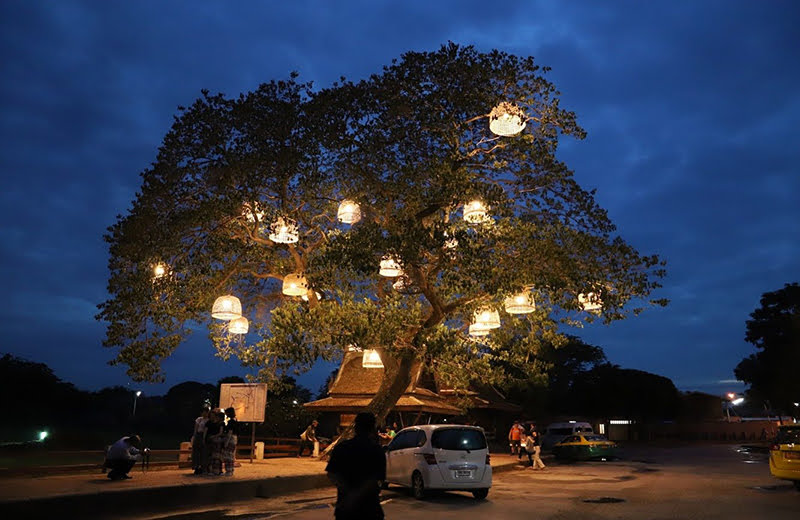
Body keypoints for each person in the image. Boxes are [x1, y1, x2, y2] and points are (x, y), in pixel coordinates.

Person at [326, 412, 386, 520]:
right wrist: (359, 493)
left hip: (346, 507)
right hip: (370, 508)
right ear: (373, 429)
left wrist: (346, 490)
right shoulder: (377, 450)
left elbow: (331, 473)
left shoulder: (342, 448)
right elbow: (378, 478)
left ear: (355, 427)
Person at [206, 409, 226, 475]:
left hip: (217, 441)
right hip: (215, 441)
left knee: (217, 456)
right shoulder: (214, 423)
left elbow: (220, 432)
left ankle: (218, 470)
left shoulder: (221, 424)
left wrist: (213, 436)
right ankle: (213, 470)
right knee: (214, 456)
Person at [191, 408, 209, 475]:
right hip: (198, 435)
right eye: (203, 412)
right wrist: (194, 436)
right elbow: (196, 428)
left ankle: (202, 467)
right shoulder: (199, 419)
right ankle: (196, 467)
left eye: (205, 412)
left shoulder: (208, 420)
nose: (204, 414)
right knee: (196, 452)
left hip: (204, 436)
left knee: (203, 452)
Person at [222, 407, 239, 476]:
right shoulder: (235, 421)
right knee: (231, 455)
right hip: (234, 438)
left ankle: (229, 470)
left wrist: (226, 442)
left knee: (228, 455)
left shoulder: (231, 422)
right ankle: (230, 470)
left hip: (231, 438)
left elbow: (230, 432)